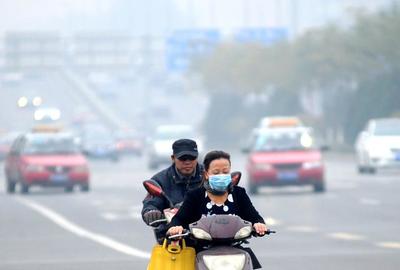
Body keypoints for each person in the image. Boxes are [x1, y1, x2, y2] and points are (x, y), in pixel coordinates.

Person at [167, 150, 267, 269]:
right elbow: (179, 219)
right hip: (201, 250)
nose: (221, 175)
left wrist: (259, 225)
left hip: (235, 250)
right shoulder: (195, 195)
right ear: (206, 174)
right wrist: (175, 228)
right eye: (216, 172)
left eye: (225, 172)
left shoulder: (239, 193)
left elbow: (254, 217)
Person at [141, 138, 204, 242]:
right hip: (172, 239)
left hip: (208, 237)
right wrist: (151, 212)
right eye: (183, 158)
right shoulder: (160, 180)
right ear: (173, 158)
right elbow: (151, 203)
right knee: (160, 257)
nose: (188, 162)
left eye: (192, 158)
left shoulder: (209, 176)